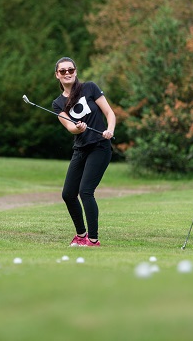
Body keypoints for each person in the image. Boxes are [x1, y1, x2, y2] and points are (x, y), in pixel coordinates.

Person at [52, 57, 116, 247]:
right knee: (68, 194)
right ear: (57, 75)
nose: (67, 73)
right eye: (62, 71)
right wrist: (78, 128)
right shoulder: (57, 103)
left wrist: (110, 130)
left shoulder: (90, 88)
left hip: (99, 147)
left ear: (75, 71)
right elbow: (70, 128)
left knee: (85, 191)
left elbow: (110, 113)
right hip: (81, 149)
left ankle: (93, 240)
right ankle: (81, 235)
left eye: (70, 69)